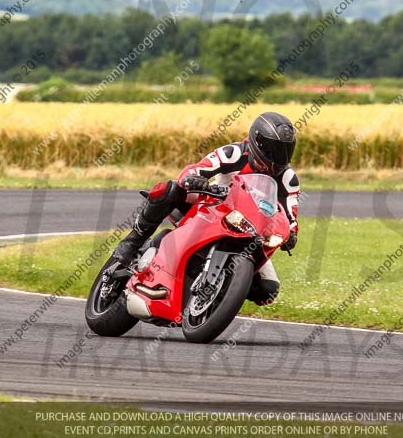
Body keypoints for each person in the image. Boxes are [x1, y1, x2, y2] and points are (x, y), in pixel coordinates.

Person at [112, 112, 300, 306]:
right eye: (274, 150)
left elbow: (290, 215)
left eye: (285, 150)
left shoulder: (288, 179)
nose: (279, 157)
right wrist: (194, 178)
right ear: (258, 141)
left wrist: (291, 234)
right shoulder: (234, 153)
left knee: (267, 290)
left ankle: (215, 298)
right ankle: (133, 242)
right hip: (212, 208)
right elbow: (197, 168)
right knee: (170, 190)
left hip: (250, 231)